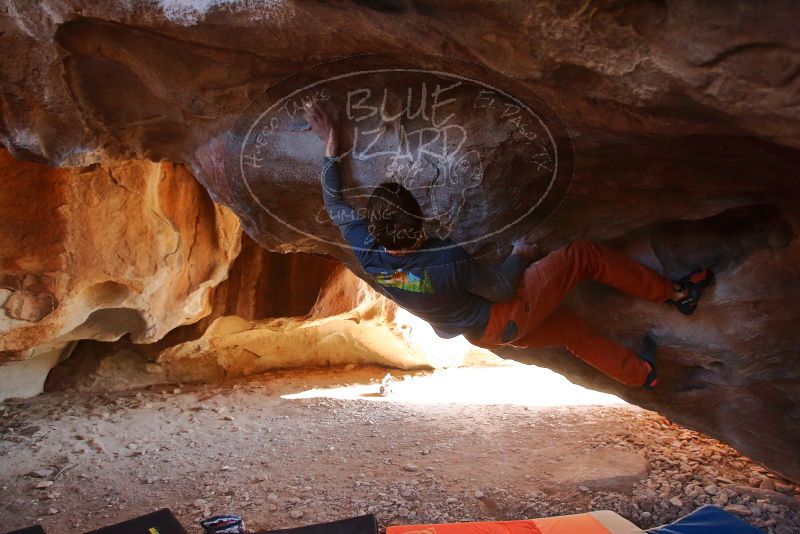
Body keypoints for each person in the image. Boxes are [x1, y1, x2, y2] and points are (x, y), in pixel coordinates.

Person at [303, 102, 713, 388]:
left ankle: (641, 375)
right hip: (505, 313)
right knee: (583, 255)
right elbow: (500, 287)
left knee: (570, 331)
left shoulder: (365, 249)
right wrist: (519, 255)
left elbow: (333, 201)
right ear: (418, 225)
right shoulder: (445, 258)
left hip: (483, 333)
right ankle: (676, 292)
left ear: (374, 229)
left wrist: (330, 148)